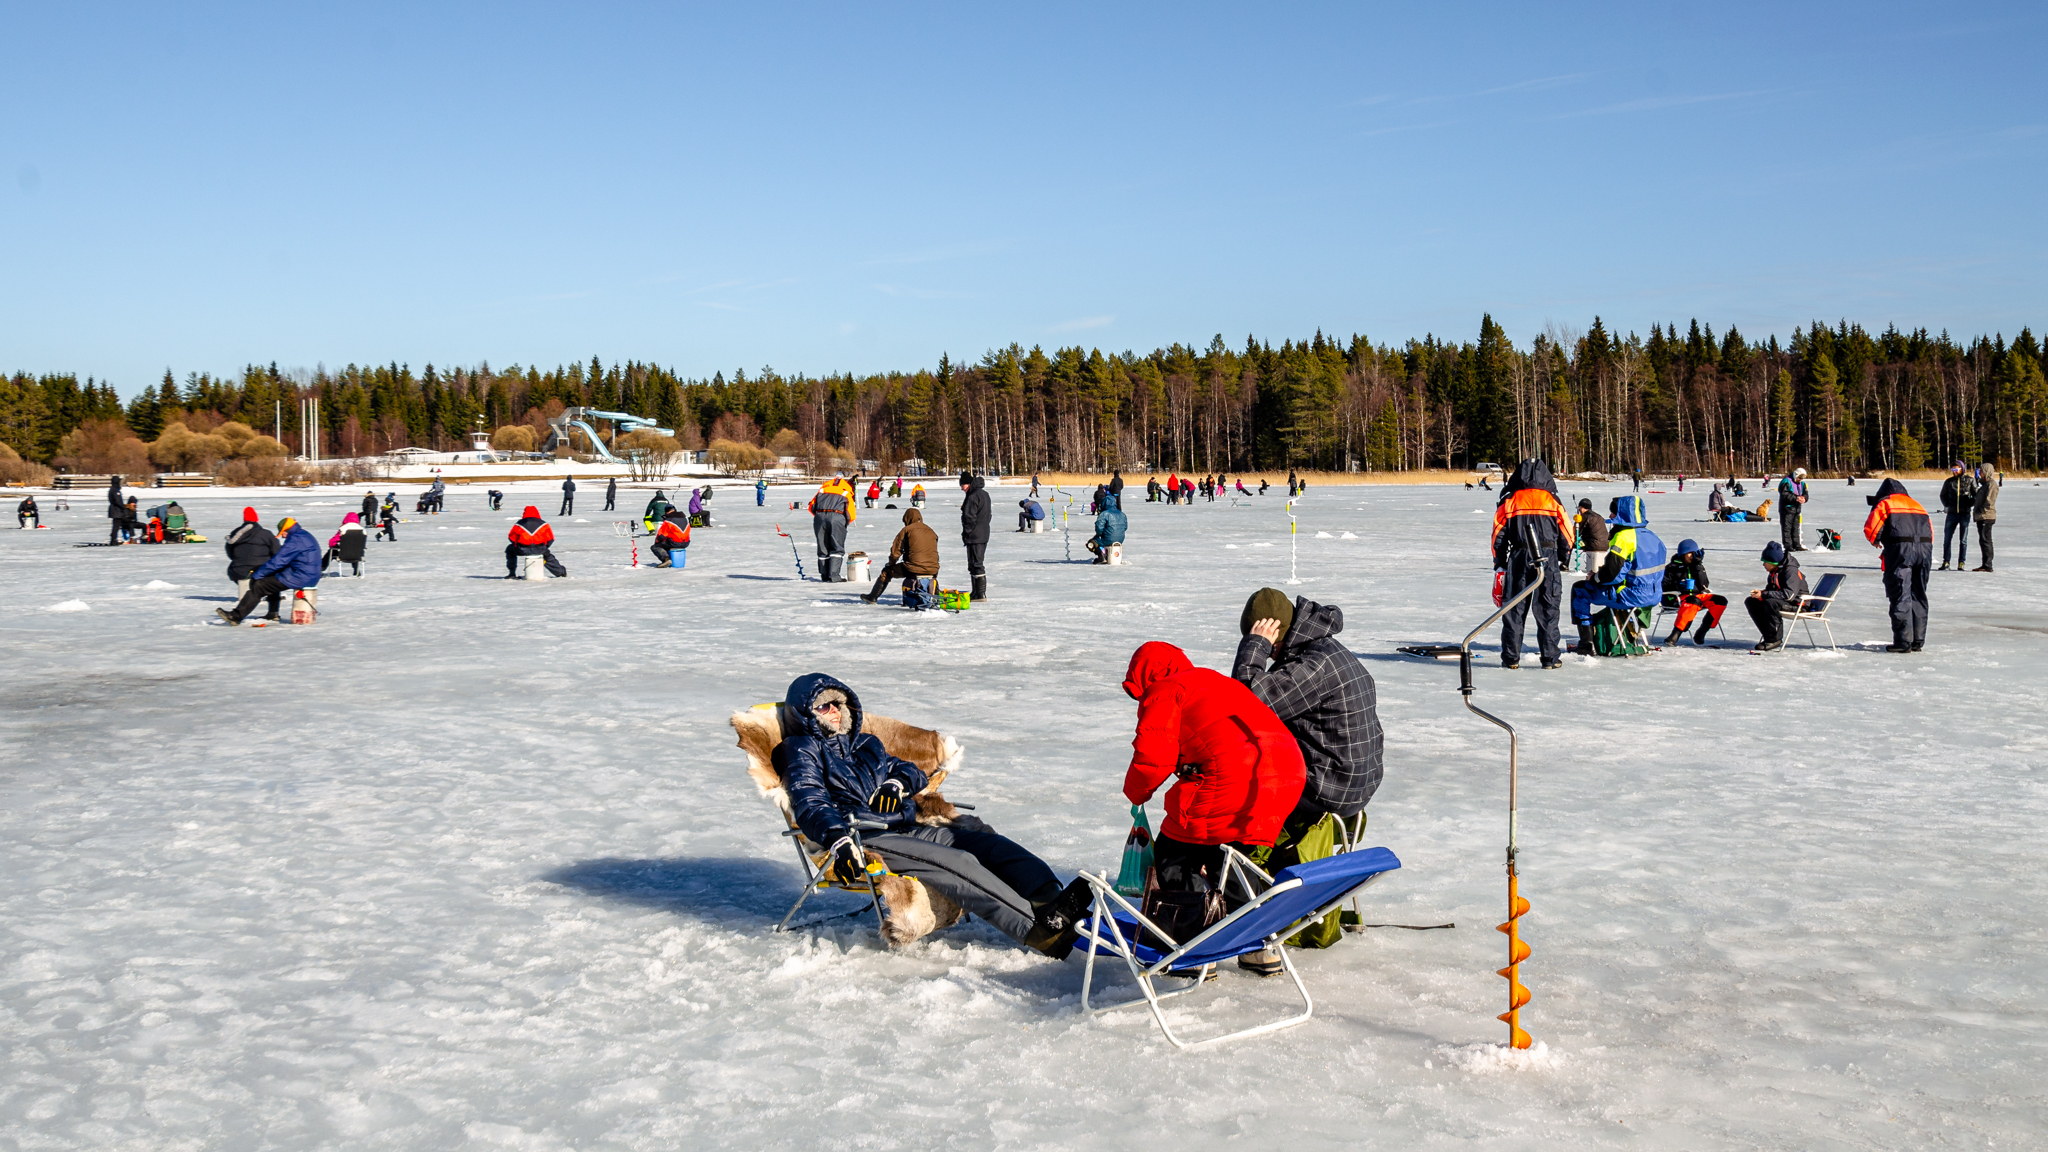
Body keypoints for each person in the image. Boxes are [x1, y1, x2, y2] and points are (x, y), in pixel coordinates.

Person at [775, 673, 1091, 956]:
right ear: (803, 713)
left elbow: (909, 771)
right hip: (864, 836)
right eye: (823, 706)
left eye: (836, 704)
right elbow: (810, 801)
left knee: (991, 846)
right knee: (958, 863)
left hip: (904, 825)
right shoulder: (800, 750)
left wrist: (895, 784)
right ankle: (1039, 931)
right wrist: (839, 840)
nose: (833, 711)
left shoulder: (865, 744)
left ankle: (1049, 900)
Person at [1231, 589, 1384, 946]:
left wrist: (1253, 649)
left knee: (1234, 798)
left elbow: (1243, 704)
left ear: (1273, 635)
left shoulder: (1309, 667)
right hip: (1356, 781)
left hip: (1331, 789)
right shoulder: (1325, 650)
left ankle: (1243, 904)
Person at [1121, 641, 1307, 905]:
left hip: (1236, 777)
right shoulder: (1213, 680)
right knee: (1228, 853)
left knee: (1173, 853)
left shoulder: (1164, 690)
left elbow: (1152, 758)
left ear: (1144, 676)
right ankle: (1250, 924)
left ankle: (1194, 925)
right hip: (1286, 773)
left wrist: (1135, 793)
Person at [1492, 460, 1572, 669]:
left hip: (1518, 556)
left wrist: (1499, 562)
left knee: (1514, 609)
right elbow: (1567, 533)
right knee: (1548, 607)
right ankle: (1550, 658)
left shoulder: (1510, 500)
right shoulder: (1552, 500)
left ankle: (1511, 659)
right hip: (1548, 556)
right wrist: (1563, 556)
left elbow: (1498, 536)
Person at [1571, 495, 1669, 656]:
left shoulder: (1625, 538)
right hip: (1653, 595)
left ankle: (1586, 643)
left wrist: (1595, 577)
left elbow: (1611, 575)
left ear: (1622, 515)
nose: (1610, 516)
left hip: (1631, 595)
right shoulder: (1652, 536)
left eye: (1613, 513)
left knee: (1579, 590)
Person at [1864, 477, 1932, 651]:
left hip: (1901, 551)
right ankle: (1918, 640)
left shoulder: (1886, 503)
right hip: (1925, 551)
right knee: (1918, 594)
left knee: (1901, 592)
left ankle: (1903, 641)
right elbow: (1930, 529)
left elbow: (1872, 527)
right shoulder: (1916, 504)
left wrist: (1875, 540)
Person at [216, 517, 320, 624]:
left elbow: (278, 561)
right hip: (308, 574)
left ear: (287, 529)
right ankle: (272, 613)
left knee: (259, 586)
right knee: (272, 577)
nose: (283, 537)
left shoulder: (295, 540)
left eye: (283, 533)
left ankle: (235, 616)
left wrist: (258, 574)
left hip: (301, 576)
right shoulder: (302, 535)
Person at [862, 506, 941, 603]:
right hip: (933, 568)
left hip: (913, 568)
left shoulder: (907, 530)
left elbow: (896, 552)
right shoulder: (931, 531)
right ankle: (935, 594)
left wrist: (891, 564)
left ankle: (872, 597)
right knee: (931, 575)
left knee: (886, 572)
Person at [1743, 541, 1807, 652]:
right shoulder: (1775, 571)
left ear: (1773, 562)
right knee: (1751, 601)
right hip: (1784, 601)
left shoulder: (1790, 571)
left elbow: (1789, 595)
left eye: (1765, 562)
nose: (1763, 565)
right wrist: (1761, 594)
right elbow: (1772, 589)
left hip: (1798, 604)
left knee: (1771, 603)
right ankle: (1768, 635)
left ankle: (1774, 639)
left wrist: (1764, 594)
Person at [1661, 539, 1727, 646]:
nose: (1692, 556)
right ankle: (1675, 634)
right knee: (1693, 601)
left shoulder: (1697, 566)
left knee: (1720, 601)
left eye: (1695, 553)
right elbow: (1663, 585)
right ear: (1682, 554)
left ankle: (1702, 631)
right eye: (1690, 553)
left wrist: (1698, 566)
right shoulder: (1671, 568)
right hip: (1677, 598)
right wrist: (1679, 586)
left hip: (1697, 597)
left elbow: (1704, 585)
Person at [223, 507, 282, 621]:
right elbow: (277, 553)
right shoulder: (266, 534)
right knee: (273, 576)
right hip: (261, 572)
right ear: (256, 518)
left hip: (238, 571)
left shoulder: (235, 534)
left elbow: (230, 552)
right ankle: (273, 612)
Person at [809, 476, 854, 582]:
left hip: (819, 516)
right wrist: (844, 524)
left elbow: (811, 507)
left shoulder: (822, 490)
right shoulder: (845, 492)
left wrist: (820, 516)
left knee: (822, 547)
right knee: (837, 547)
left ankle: (824, 575)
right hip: (837, 517)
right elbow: (851, 514)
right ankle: (834, 576)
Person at [505, 505, 567, 578]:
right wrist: (545, 547)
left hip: (522, 549)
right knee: (548, 557)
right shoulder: (543, 524)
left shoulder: (519, 523)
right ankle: (560, 572)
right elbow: (550, 539)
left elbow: (511, 537)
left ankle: (512, 573)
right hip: (540, 548)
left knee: (510, 550)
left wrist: (518, 545)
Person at [1937, 461, 1975, 571]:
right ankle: (1946, 562)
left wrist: (1969, 503)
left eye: (1956, 469)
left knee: (1963, 540)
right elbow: (1942, 495)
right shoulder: (1949, 482)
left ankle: (1961, 562)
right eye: (1952, 470)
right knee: (1947, 539)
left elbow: (1976, 495)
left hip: (1964, 514)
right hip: (1952, 514)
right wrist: (1947, 505)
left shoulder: (1970, 480)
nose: (1954, 472)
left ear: (1962, 469)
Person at [959, 471, 990, 600]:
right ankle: (976, 592)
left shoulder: (972, 496)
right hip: (983, 532)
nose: (962, 488)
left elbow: (969, 517)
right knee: (975, 563)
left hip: (974, 535)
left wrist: (967, 533)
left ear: (969, 484)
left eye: (963, 485)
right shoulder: (984, 494)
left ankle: (980, 593)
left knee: (976, 564)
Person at [1971, 462, 1998, 572]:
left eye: (1981, 471)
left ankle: (1988, 565)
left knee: (1986, 540)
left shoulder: (1992, 485)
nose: (1980, 473)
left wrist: (1982, 511)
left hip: (1986, 516)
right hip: (1981, 516)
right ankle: (1985, 564)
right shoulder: (1984, 485)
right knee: (1983, 540)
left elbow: (1989, 501)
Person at [1086, 490, 1126, 563]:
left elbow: (1099, 528)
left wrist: (1099, 535)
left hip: (1108, 538)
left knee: (1091, 543)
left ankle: (1101, 555)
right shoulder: (1122, 514)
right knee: (1104, 540)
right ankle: (1108, 555)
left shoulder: (1104, 514)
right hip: (1120, 539)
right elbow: (1125, 527)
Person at [324, 513, 368, 577]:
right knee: (355, 548)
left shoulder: (343, 529)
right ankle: (356, 570)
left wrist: (334, 546)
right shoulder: (362, 530)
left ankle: (321, 568)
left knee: (331, 551)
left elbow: (332, 541)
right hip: (358, 555)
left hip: (343, 554)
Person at [1575, 497, 1609, 579]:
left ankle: (1564, 564)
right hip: (1605, 544)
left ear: (1581, 508)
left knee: (1570, 543)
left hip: (1593, 545)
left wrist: (1577, 522)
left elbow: (1577, 533)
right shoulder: (1598, 516)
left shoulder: (1584, 517)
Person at [1777, 466, 1808, 552]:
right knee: (1787, 528)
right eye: (1799, 477)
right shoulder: (1786, 481)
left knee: (1795, 527)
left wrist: (1804, 498)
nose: (1800, 479)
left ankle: (1797, 545)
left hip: (1797, 509)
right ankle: (1788, 546)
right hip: (1786, 509)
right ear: (1795, 475)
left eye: (1802, 478)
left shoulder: (1803, 484)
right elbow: (1784, 494)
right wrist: (1796, 498)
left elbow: (1805, 493)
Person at [106, 476, 126, 544]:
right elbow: (117, 501)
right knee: (116, 525)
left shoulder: (113, 489)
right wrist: (123, 508)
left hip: (115, 509)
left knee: (116, 525)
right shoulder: (115, 490)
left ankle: (114, 538)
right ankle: (113, 539)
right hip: (116, 510)